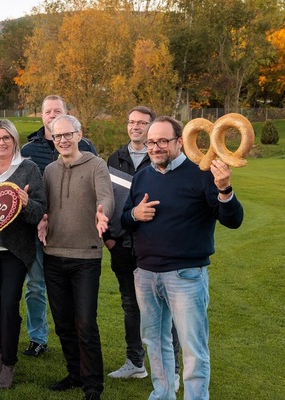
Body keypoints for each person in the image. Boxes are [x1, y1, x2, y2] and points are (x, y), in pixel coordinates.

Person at [122, 116, 243, 400]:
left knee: (193, 348)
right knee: (154, 342)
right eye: (152, 142)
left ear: (180, 142)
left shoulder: (202, 174)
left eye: (163, 141)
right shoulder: (142, 176)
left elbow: (233, 220)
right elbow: (126, 219)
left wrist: (224, 188)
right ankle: (162, 394)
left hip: (186, 276)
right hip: (146, 274)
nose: (155, 147)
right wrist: (134, 215)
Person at [103, 106, 182, 381]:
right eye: (131, 122)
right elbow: (106, 201)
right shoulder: (115, 158)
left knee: (165, 308)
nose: (135, 126)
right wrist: (109, 238)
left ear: (152, 127)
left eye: (142, 123)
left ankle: (171, 367)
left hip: (155, 246)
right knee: (130, 306)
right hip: (122, 246)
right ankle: (135, 362)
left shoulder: (163, 158)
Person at [38, 115, 113, 400]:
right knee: (63, 322)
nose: (63, 140)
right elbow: (45, 206)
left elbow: (106, 197)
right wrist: (43, 220)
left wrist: (102, 212)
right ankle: (74, 373)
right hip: (53, 255)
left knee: (85, 322)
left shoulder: (96, 165)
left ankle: (93, 384)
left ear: (79, 134)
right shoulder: (49, 170)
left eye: (68, 134)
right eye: (57, 137)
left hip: (86, 257)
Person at [19, 95, 98, 358]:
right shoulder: (28, 150)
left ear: (66, 114)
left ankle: (77, 339)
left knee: (71, 291)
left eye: (57, 111)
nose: (52, 115)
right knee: (35, 286)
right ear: (41, 116)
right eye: (47, 111)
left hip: (73, 232)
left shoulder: (86, 147)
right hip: (37, 228)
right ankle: (38, 337)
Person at [0, 120, 46, 389]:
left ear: (14, 140)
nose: (1, 143)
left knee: (8, 306)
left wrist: (26, 205)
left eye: (6, 137)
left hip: (16, 250)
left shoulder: (28, 169)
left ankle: (10, 364)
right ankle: (1, 358)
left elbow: (39, 211)